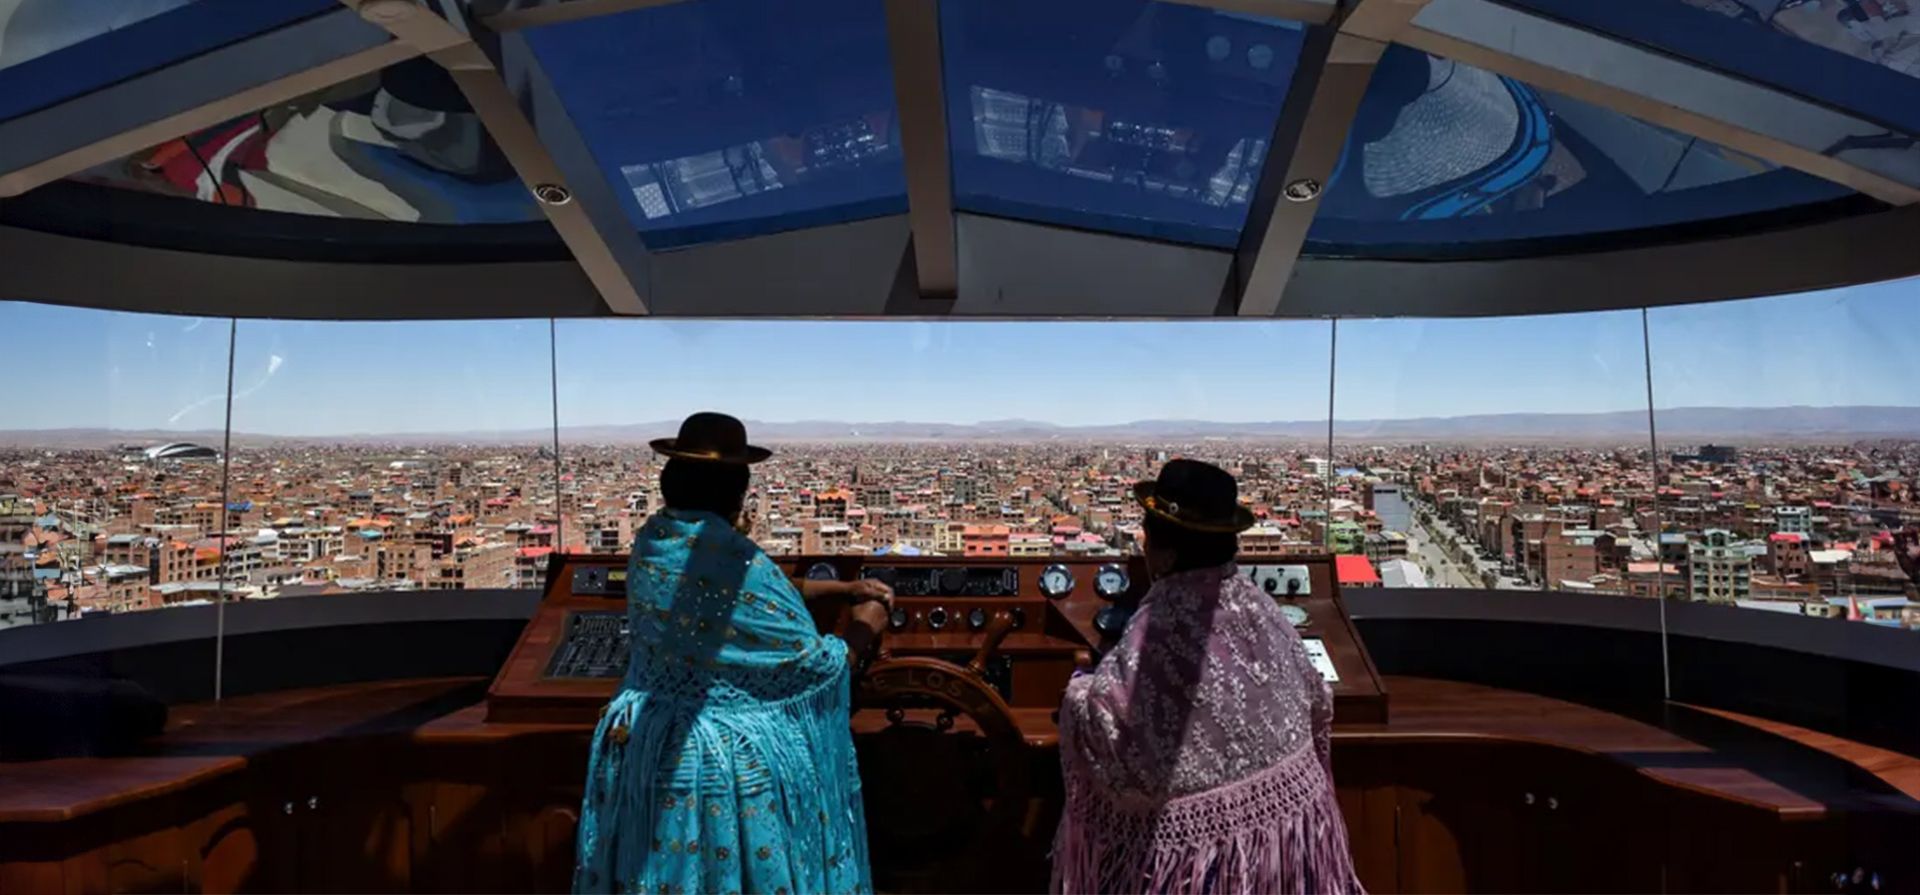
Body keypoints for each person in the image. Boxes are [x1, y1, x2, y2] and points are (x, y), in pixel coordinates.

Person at [574, 413, 892, 895]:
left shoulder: (654, 543)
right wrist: (866, 624)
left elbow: (721, 593)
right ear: (737, 491)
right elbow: (818, 669)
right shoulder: (739, 564)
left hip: (645, 744)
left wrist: (842, 586)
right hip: (721, 772)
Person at [1053, 459, 1361, 894]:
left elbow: (1110, 734)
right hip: (1289, 850)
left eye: (1147, 532)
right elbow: (1317, 701)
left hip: (1206, 871)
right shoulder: (1261, 607)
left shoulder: (1161, 624)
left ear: (1166, 551)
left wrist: (1078, 691)